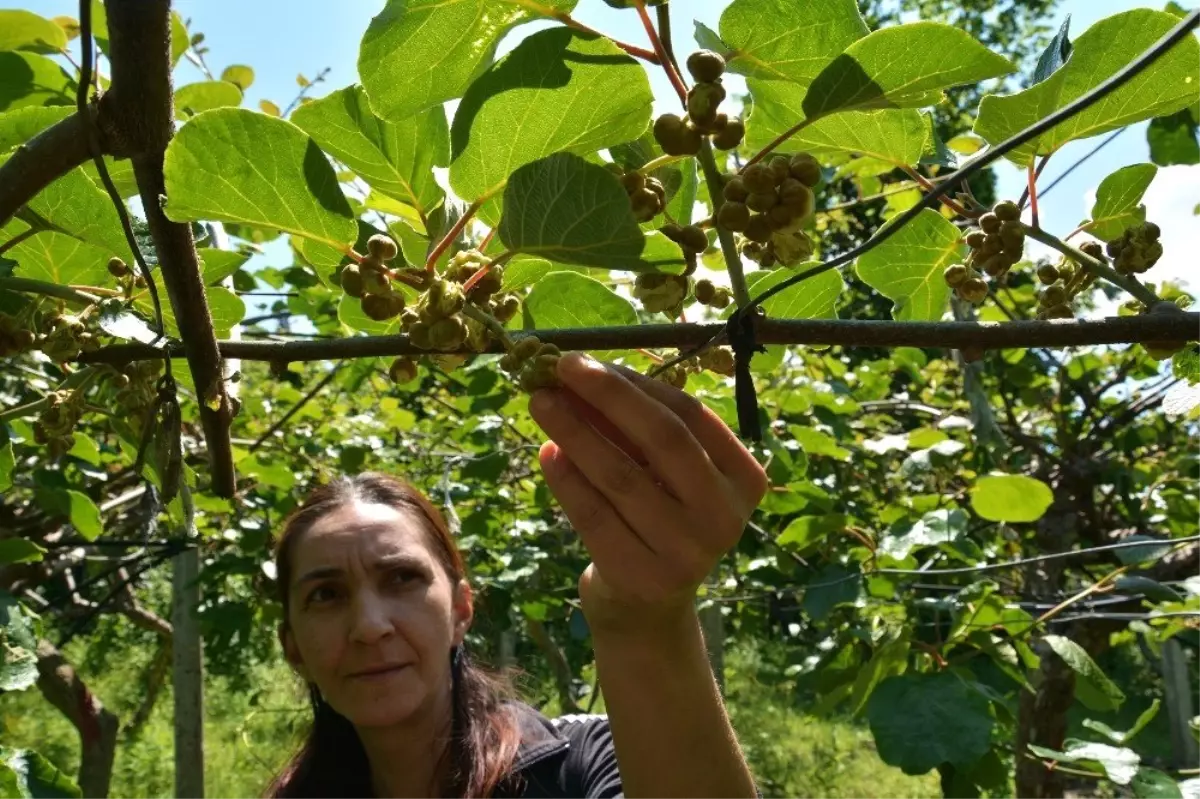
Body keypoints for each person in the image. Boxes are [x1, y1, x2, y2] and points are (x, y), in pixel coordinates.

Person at [265, 352, 769, 798]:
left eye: (401, 579)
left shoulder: (579, 765)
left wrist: (647, 624)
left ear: (461, 610)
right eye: (326, 594)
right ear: (292, 648)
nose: (370, 626)